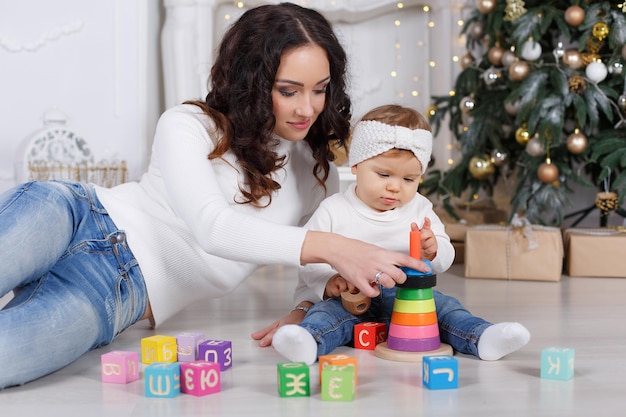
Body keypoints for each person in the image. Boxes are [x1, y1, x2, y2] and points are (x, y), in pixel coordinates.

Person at [0, 3, 431, 389]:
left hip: (122, 292)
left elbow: (318, 273)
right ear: (252, 82)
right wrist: (336, 247)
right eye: (288, 90)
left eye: (319, 89)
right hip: (76, 214)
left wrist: (304, 311)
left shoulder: (315, 178)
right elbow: (214, 229)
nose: (308, 108)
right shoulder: (188, 123)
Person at [253, 105, 530, 365]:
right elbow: (309, 258)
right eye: (384, 174)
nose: (395, 187)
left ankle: (482, 337)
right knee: (326, 316)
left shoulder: (419, 208)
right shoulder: (334, 209)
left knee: (447, 309)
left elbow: (445, 257)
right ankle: (307, 343)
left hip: (410, 298)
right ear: (357, 166)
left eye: (409, 179)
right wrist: (329, 282)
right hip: (352, 299)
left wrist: (433, 250)